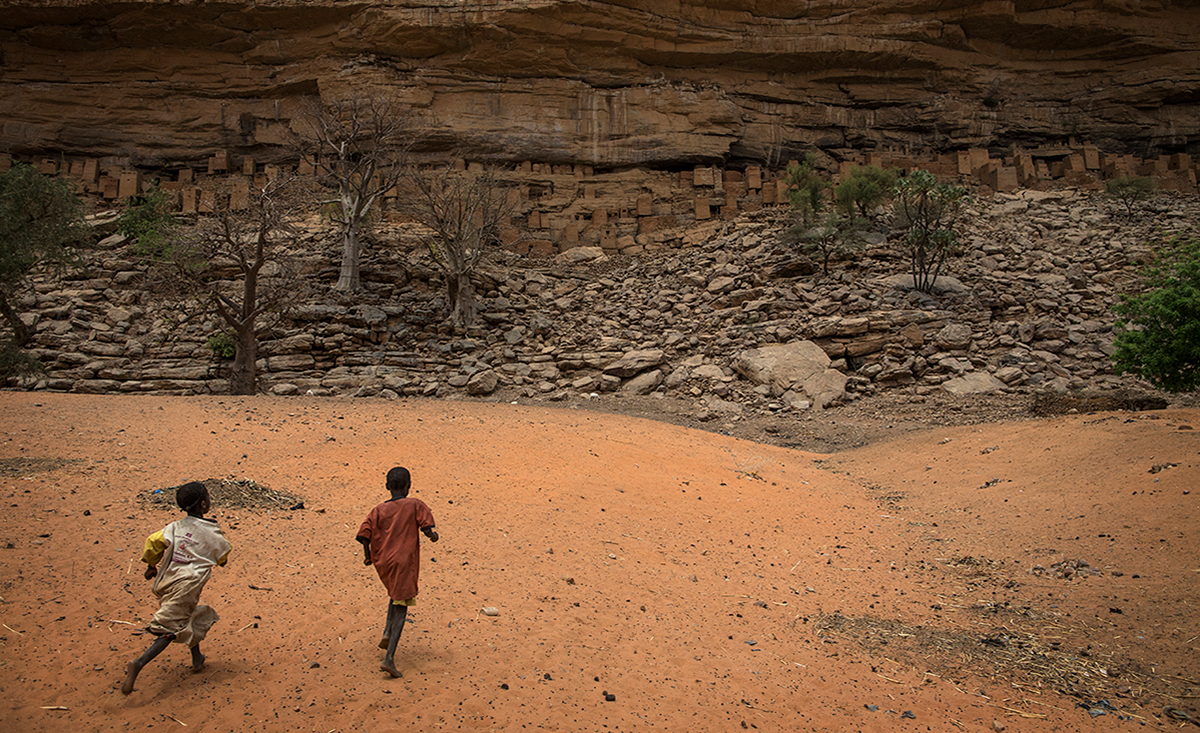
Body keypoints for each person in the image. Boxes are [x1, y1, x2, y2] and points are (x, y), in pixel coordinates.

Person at [121, 481, 231, 695]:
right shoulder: (212, 533)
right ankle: (139, 663)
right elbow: (222, 556)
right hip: (186, 586)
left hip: (167, 581)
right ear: (203, 504)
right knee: (170, 628)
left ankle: (197, 658)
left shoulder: (174, 528)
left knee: (186, 617)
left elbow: (153, 543)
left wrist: (151, 565)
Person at [356, 466, 439, 678]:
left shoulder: (377, 511)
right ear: (409, 486)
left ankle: (386, 632)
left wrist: (368, 556)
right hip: (404, 562)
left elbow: (364, 534)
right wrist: (433, 536)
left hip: (384, 562)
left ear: (387, 486)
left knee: (394, 595)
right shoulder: (414, 504)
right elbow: (427, 527)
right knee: (402, 605)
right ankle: (389, 658)